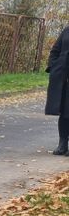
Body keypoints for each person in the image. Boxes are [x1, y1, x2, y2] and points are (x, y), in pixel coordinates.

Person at [47, 24, 69, 155]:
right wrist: (53, 66)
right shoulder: (67, 30)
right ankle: (62, 143)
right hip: (63, 77)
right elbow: (55, 50)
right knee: (64, 112)